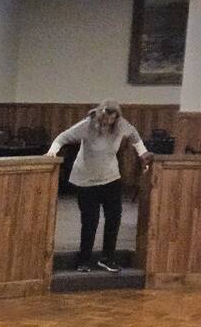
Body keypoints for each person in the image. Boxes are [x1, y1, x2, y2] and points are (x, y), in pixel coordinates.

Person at [48, 99, 153, 273]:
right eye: (103, 118)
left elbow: (134, 135)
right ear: (99, 114)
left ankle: (107, 259)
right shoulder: (87, 125)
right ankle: (83, 260)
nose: (106, 122)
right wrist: (53, 151)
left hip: (110, 178)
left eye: (110, 119)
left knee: (114, 218)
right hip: (85, 180)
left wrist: (142, 153)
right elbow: (63, 137)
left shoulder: (122, 125)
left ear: (116, 118)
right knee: (90, 220)